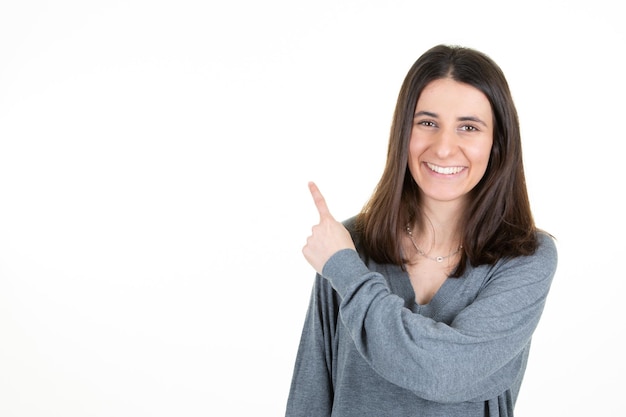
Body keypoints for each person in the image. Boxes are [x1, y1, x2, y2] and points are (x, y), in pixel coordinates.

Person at [285, 44, 558, 417]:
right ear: (403, 134)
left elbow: (445, 372)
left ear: (497, 143)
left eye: (469, 127)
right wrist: (344, 263)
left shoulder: (525, 257)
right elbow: (312, 391)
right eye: (427, 123)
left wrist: (347, 273)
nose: (444, 148)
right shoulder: (350, 245)